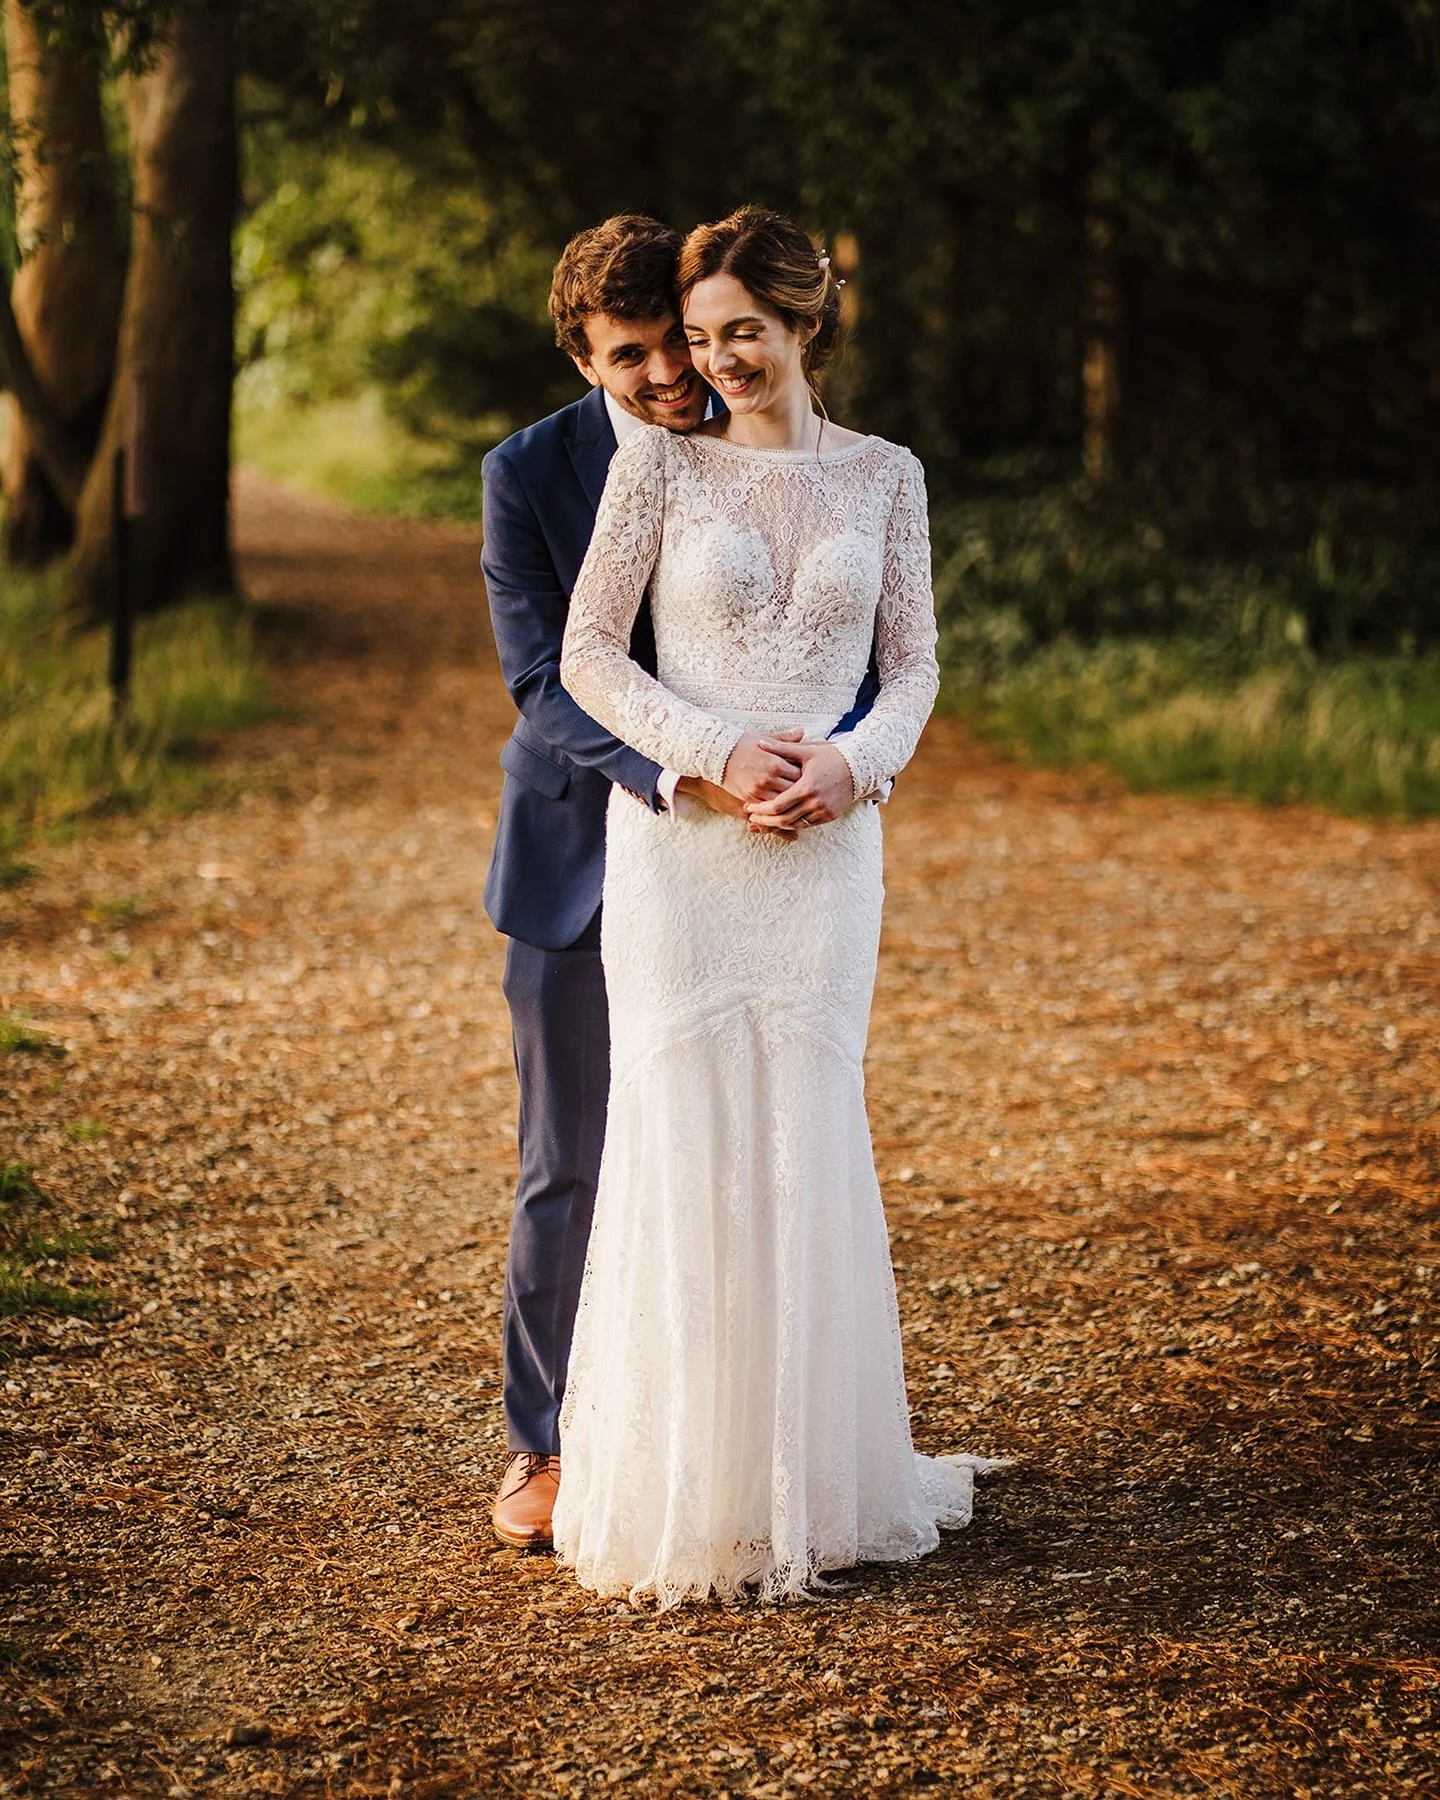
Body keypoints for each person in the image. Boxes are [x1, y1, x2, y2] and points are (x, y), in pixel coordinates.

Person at [555, 206, 999, 1606]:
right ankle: (690, 1489)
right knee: (685, 1126)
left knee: (807, 1127)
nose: (718, 360)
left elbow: (914, 667)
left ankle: (814, 1482)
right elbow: (586, 655)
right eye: (700, 337)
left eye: (743, 329)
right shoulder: (658, 469)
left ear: (807, 321)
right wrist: (709, 751)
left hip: (825, 854)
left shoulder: (887, 477)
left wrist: (857, 764)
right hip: (686, 854)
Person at [480, 215, 877, 1551]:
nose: (668, 376)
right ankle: (545, 1442)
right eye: (631, 356)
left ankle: (731, 1442)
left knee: (744, 1137)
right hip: (585, 845)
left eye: (678, 344)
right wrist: (686, 770)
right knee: (570, 1157)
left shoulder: (761, 437)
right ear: (583, 358)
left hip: (759, 851)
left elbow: (842, 623)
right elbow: (545, 678)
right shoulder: (527, 474)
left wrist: (840, 761)